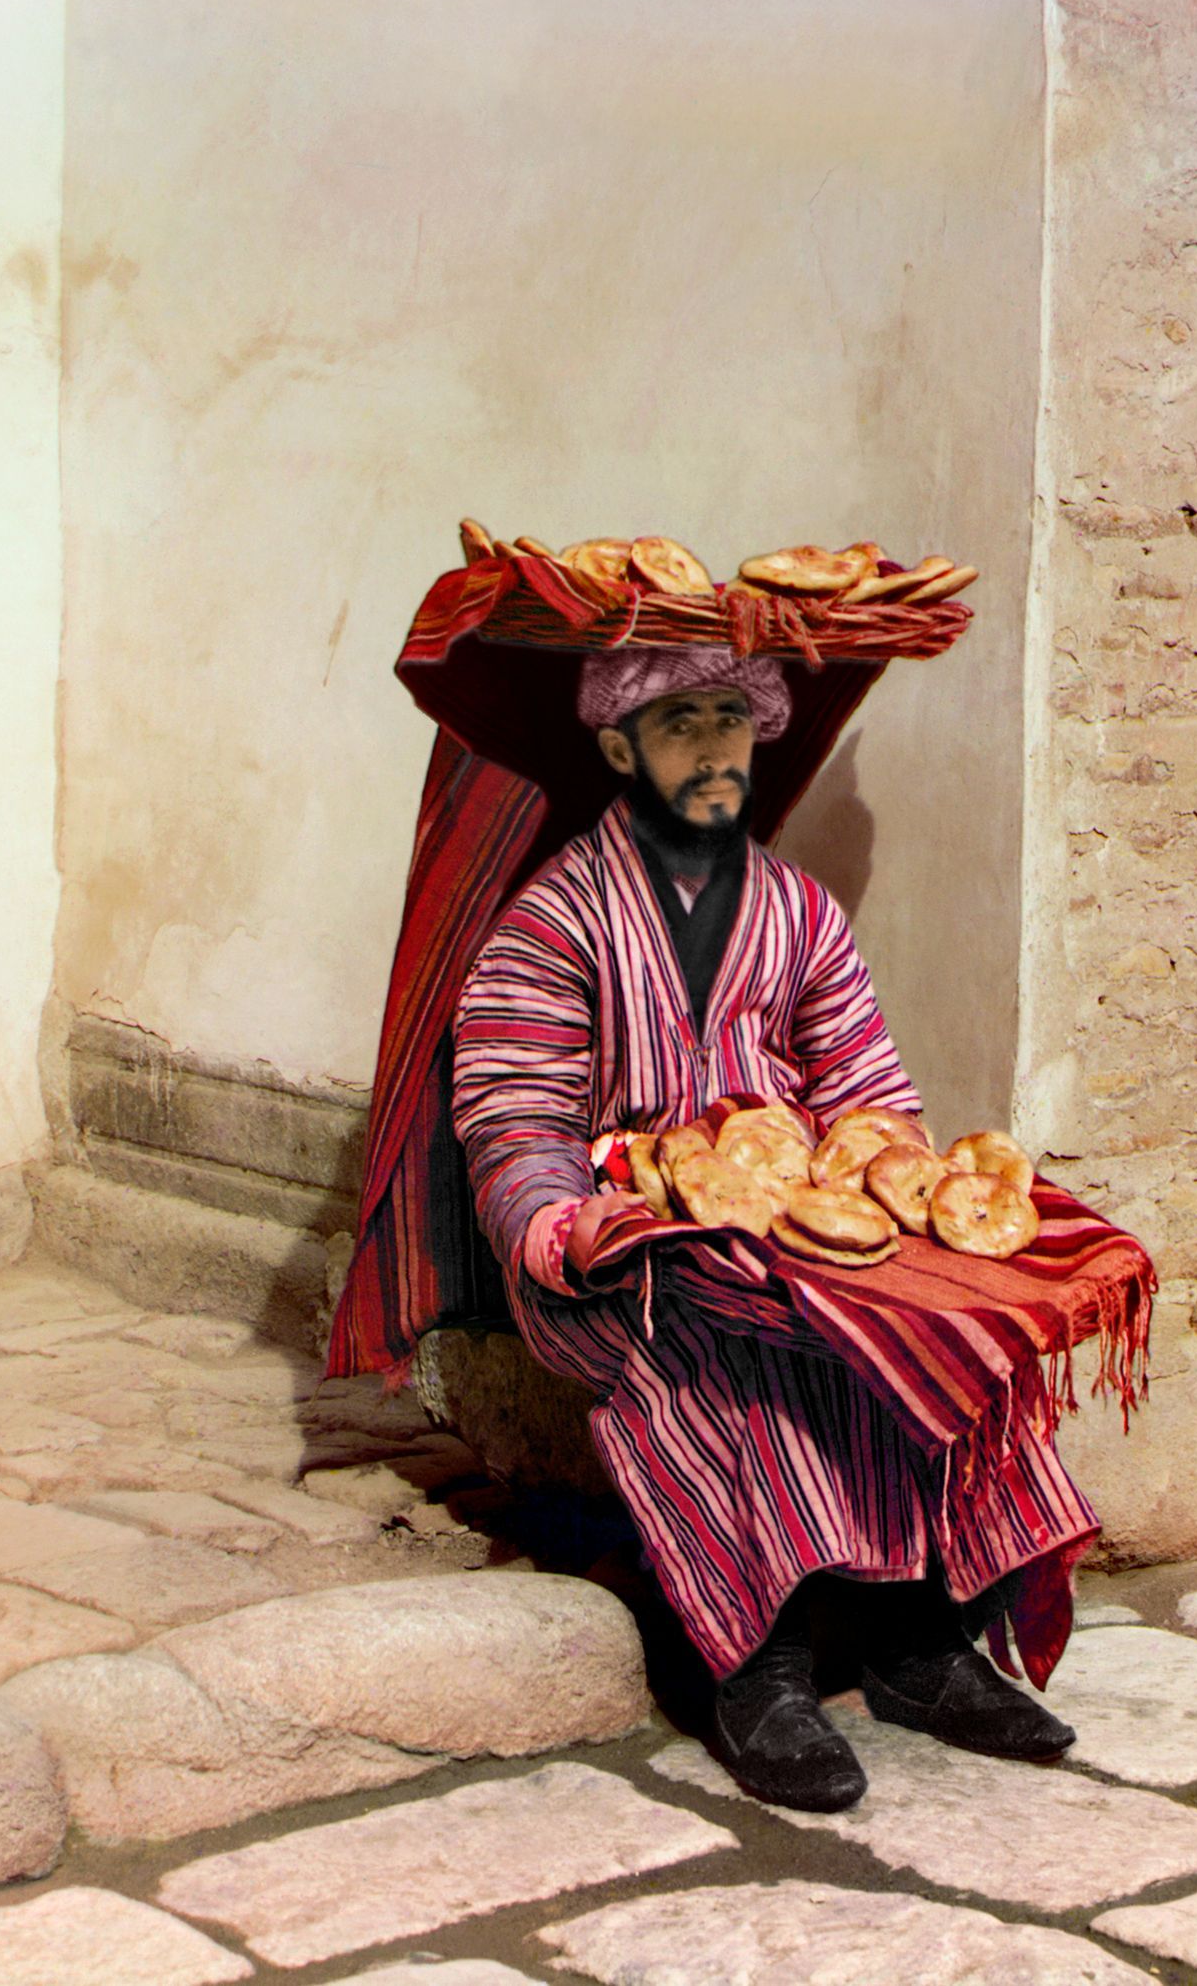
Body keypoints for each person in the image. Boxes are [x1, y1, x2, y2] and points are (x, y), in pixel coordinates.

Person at [450, 643, 1096, 1812]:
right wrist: (561, 1224)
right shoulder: (550, 920)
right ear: (617, 747)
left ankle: (923, 1640)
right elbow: (513, 1113)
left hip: (790, 1235)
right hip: (620, 1257)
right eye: (679, 722)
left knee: (926, 1334)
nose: (712, 747)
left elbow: (866, 1095)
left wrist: (891, 1185)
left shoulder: (798, 911)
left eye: (728, 720)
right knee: (723, 1347)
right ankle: (760, 1666)